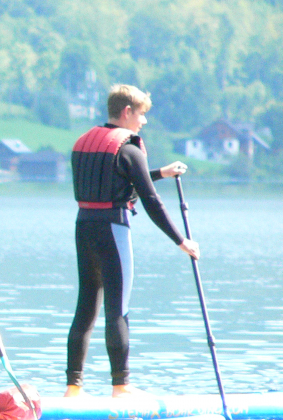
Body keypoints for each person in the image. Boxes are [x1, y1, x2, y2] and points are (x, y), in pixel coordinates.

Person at [65, 84, 200, 398]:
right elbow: (151, 201)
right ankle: (121, 386)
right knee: (118, 309)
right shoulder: (129, 149)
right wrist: (182, 241)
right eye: (141, 115)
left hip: (84, 227)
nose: (144, 122)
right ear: (127, 112)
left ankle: (73, 387)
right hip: (113, 229)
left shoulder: (84, 142)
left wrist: (160, 173)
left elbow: (116, 178)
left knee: (85, 308)